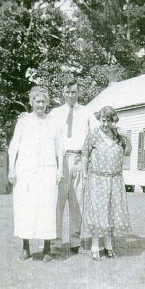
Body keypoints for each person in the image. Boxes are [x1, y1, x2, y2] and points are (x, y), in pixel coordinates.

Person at [8, 86, 63, 262]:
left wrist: (60, 169)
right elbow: (13, 146)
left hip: (47, 171)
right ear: (31, 102)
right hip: (26, 172)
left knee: (47, 208)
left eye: (43, 101)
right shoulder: (23, 122)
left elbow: (60, 149)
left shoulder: (53, 123)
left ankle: (47, 248)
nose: (40, 105)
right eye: (37, 101)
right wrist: (11, 169)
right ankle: (26, 247)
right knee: (26, 207)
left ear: (47, 103)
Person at [81, 106, 132, 260]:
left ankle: (109, 247)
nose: (105, 124)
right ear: (100, 119)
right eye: (103, 120)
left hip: (115, 180)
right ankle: (95, 246)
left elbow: (127, 152)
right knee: (99, 212)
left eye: (109, 120)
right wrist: (85, 175)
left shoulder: (118, 136)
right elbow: (84, 154)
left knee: (111, 212)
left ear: (113, 121)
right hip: (97, 179)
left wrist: (126, 137)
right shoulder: (93, 136)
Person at [49, 77, 90, 254]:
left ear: (78, 92)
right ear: (62, 93)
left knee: (77, 203)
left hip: (80, 159)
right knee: (57, 203)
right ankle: (56, 242)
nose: (70, 95)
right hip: (61, 160)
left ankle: (75, 242)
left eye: (73, 92)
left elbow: (97, 134)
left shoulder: (87, 112)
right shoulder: (55, 113)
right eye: (67, 92)